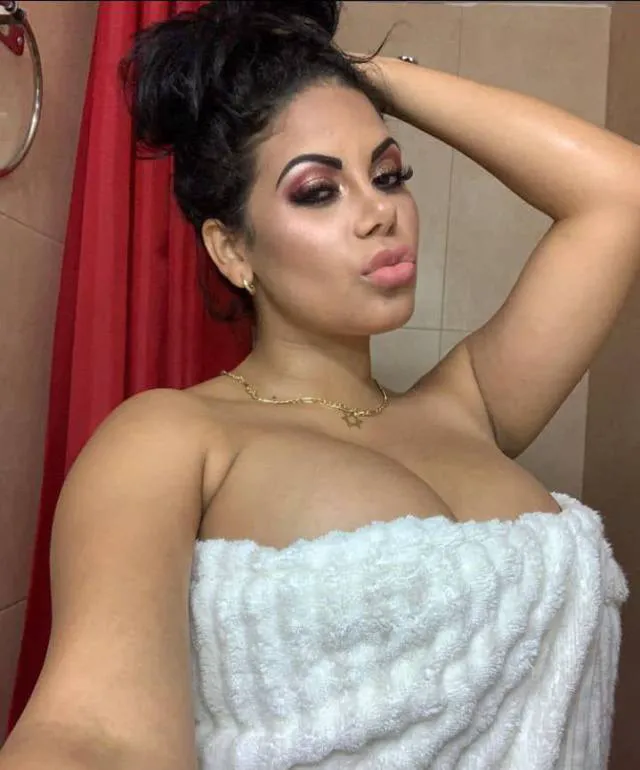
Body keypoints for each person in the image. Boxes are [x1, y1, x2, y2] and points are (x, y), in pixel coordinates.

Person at [1, 1, 638, 768]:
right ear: (232, 251)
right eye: (318, 190)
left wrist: (357, 73)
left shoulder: (472, 406)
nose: (380, 214)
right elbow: (92, 734)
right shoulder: (171, 437)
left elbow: (620, 193)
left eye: (388, 175)